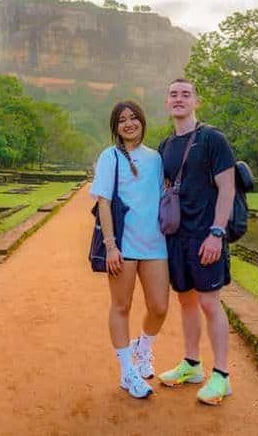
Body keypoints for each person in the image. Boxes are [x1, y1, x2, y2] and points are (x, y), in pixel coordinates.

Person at [156, 78, 236, 405]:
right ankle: (192, 364)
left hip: (206, 236)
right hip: (177, 237)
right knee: (186, 301)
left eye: (185, 94)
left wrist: (217, 232)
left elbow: (227, 188)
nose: (179, 99)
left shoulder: (212, 139)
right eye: (173, 94)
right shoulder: (165, 146)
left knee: (209, 303)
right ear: (167, 102)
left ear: (196, 102)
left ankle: (222, 375)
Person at [90, 100, 169, 399]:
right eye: (122, 120)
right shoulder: (110, 156)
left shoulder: (155, 158)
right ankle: (127, 371)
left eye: (133, 118)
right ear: (116, 127)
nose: (129, 123)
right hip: (123, 245)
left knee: (159, 307)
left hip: (155, 244)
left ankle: (143, 347)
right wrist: (111, 246)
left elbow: (162, 196)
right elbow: (104, 202)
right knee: (121, 306)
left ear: (142, 121)